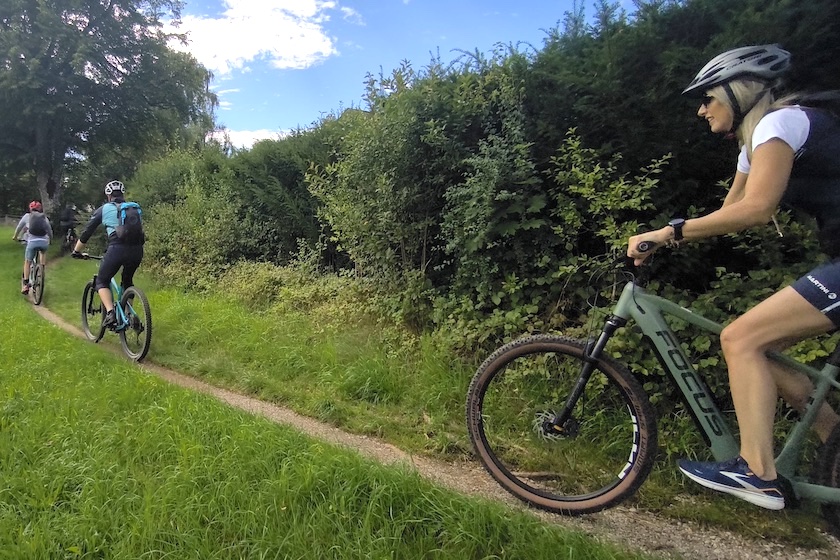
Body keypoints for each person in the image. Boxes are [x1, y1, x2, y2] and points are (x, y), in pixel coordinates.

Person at [627, 44, 840, 511]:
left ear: (737, 92)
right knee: (763, 349)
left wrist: (667, 232)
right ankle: (834, 454)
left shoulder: (779, 124)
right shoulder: (754, 145)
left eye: (708, 97)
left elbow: (757, 209)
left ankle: (757, 473)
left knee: (740, 339)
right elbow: (729, 214)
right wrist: (666, 240)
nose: (701, 110)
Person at [72, 180, 144, 328]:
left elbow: (86, 233)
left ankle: (110, 313)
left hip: (117, 249)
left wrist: (76, 251)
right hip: (137, 250)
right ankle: (129, 316)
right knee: (127, 280)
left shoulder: (104, 209)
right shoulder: (133, 208)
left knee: (102, 281)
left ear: (108, 195)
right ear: (122, 194)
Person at [12, 200, 53, 294]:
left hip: (32, 242)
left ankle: (26, 285)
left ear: (30, 208)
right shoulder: (44, 217)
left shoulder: (27, 216)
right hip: (44, 242)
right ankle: (42, 270)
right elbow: (49, 230)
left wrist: (15, 237)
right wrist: (50, 240)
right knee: (43, 252)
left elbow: (19, 227)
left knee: (27, 261)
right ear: (40, 209)